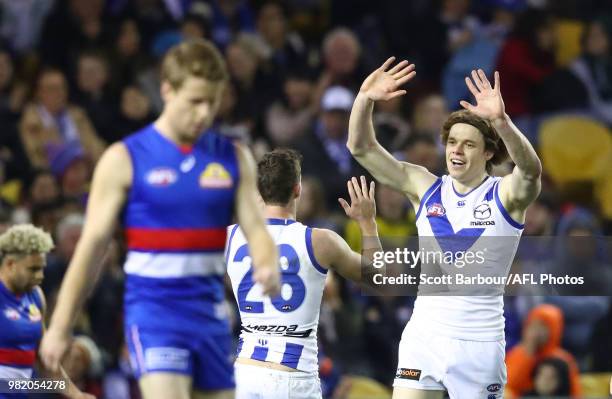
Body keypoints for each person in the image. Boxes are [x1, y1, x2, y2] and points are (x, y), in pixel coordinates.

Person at [39, 39, 281, 399]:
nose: (204, 113)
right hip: (154, 314)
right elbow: (91, 248)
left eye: (212, 102)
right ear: (167, 90)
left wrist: (267, 263)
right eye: (195, 101)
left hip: (210, 315)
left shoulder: (235, 158)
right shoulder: (124, 158)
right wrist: (60, 327)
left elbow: (256, 229)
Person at [347, 57, 542, 398]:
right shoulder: (424, 185)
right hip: (424, 336)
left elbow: (530, 172)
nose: (457, 150)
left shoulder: (504, 194)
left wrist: (502, 122)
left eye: (469, 144)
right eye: (452, 142)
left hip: (479, 344)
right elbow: (361, 148)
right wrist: (364, 99)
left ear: (488, 153)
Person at [225, 149, 382, 399]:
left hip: (244, 374)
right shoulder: (321, 241)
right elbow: (379, 279)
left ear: (259, 190)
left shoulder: (230, 237)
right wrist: (367, 223)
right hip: (293, 375)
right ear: (297, 189)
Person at [0, 224, 93, 399]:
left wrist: (76, 395)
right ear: (10, 264)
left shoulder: (35, 296)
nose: (40, 276)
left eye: (42, 267)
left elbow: (44, 362)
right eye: (33, 269)